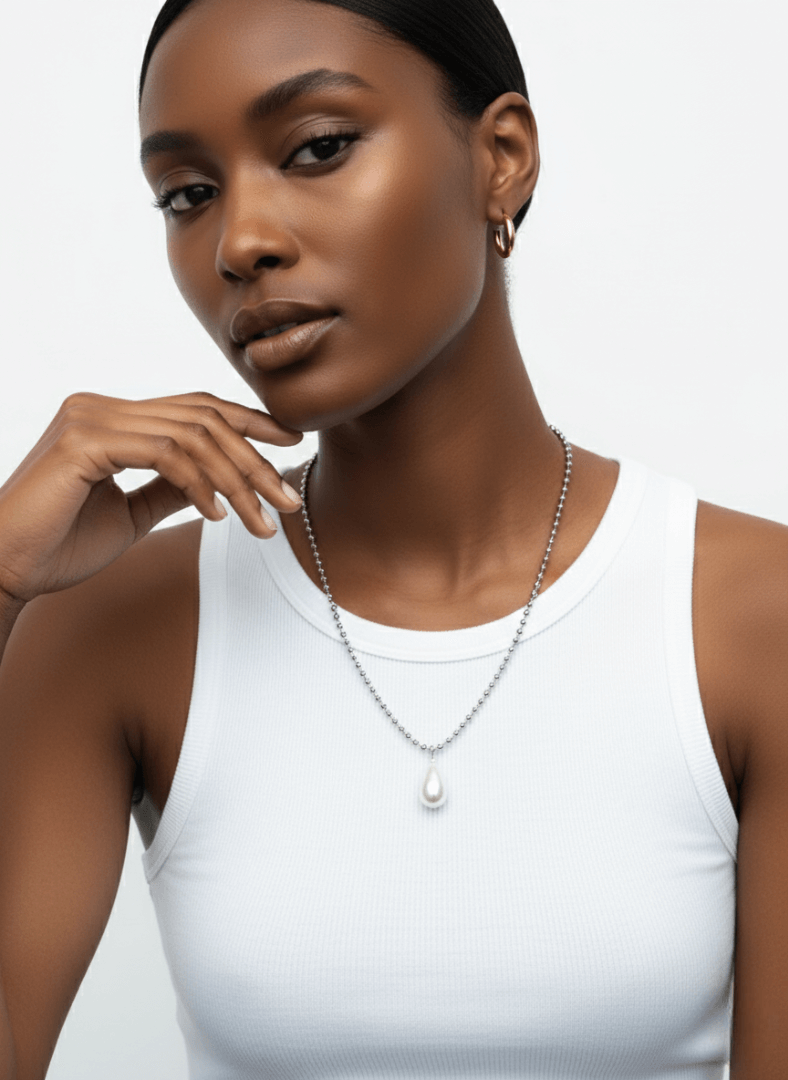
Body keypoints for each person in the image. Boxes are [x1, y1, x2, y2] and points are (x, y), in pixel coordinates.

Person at [0, 0, 785, 1076]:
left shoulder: (748, 618)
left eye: (316, 149)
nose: (240, 242)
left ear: (499, 159)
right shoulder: (112, 628)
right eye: (189, 194)